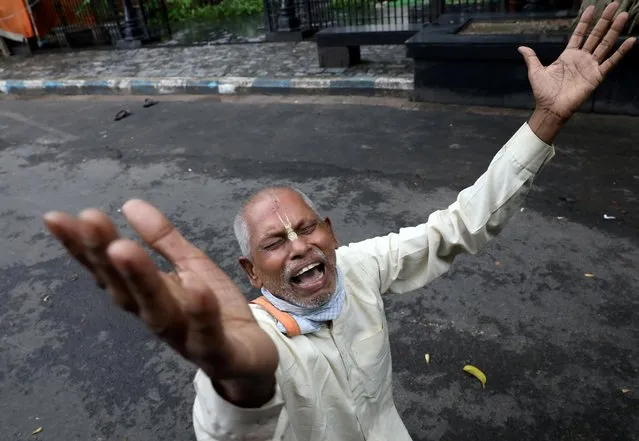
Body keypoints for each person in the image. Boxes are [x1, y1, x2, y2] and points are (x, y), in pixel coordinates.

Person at [43, 4, 635, 441]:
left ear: (330, 229)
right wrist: (239, 389)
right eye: (275, 242)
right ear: (250, 270)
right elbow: (228, 430)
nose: (301, 247)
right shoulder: (248, 340)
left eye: (307, 229)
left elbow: (458, 226)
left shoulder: (358, 268)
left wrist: (544, 123)